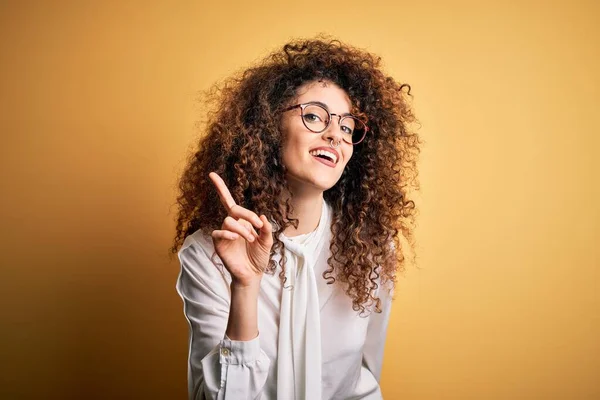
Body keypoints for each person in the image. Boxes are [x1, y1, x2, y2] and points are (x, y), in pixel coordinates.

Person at [170, 36, 420, 400]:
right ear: (269, 127)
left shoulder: (373, 247)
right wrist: (245, 285)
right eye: (315, 116)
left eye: (348, 127)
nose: (335, 134)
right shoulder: (207, 254)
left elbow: (365, 376)